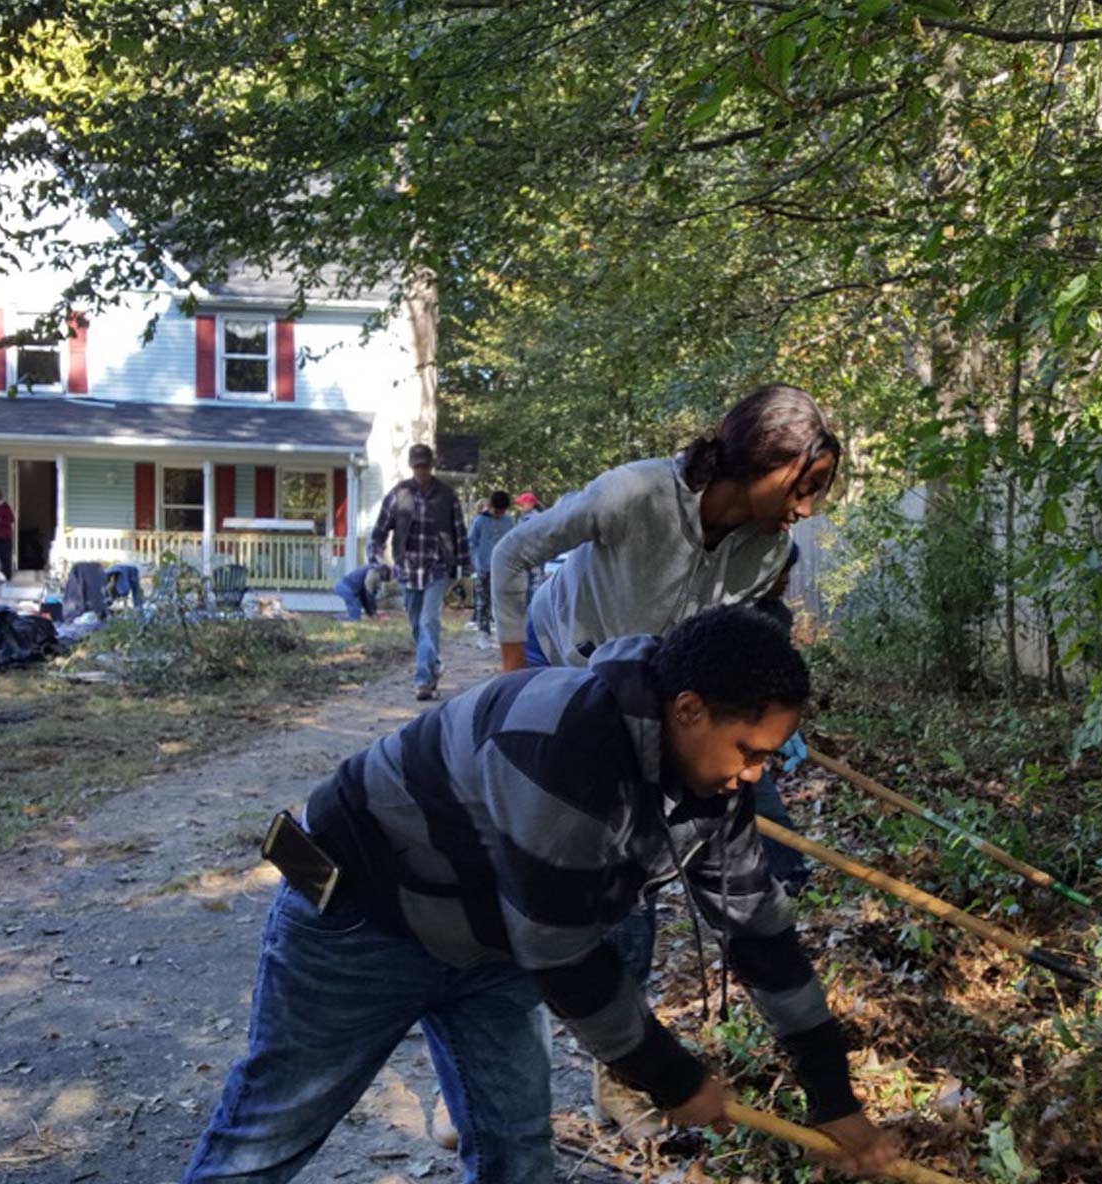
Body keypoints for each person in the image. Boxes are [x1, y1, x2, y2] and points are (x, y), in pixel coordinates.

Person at [181, 606, 901, 1184]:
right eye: (750, 752)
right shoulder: (566, 747)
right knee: (269, 1138)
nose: (755, 776)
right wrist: (673, 1077)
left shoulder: (714, 785)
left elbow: (762, 938)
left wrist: (834, 1100)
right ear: (688, 710)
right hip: (360, 920)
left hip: (491, 937)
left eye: (768, 758)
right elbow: (562, 954)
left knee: (517, 1153)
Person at [489, 384, 838, 1135]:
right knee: (555, 882)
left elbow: (723, 652)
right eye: (804, 487)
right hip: (562, 670)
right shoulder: (634, 494)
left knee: (634, 877)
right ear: (764, 461)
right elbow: (513, 552)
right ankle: (528, 1086)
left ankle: (608, 1077)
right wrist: (514, 677)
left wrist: (757, 736)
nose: (807, 508)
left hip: (651, 699)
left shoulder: (770, 548)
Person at [369, 444, 470, 701]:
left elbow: (460, 533)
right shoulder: (398, 494)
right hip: (407, 569)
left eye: (425, 465)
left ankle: (423, 681)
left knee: (428, 621)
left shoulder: (447, 495)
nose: (422, 470)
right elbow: (379, 532)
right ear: (412, 467)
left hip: (438, 568)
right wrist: (376, 563)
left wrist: (465, 569)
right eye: (417, 466)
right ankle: (434, 666)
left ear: (432, 466)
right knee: (417, 625)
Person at [467, 489, 514, 647]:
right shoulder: (480, 521)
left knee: (503, 601)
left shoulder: (508, 521)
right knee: (483, 602)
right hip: (483, 567)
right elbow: (471, 542)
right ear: (490, 506)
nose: (499, 514)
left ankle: (502, 633)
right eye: (497, 510)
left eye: (502, 511)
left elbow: (513, 542)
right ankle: (483, 633)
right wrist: (476, 563)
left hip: (504, 569)